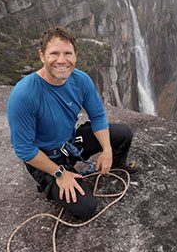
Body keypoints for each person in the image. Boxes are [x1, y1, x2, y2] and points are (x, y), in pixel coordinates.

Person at [7, 26, 137, 220]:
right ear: (42, 55)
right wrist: (60, 174)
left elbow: (98, 116)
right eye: (54, 53)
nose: (62, 60)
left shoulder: (81, 80)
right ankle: (47, 182)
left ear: (75, 56)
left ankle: (116, 164)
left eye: (68, 53)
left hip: (70, 144)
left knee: (123, 134)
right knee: (86, 207)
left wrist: (107, 151)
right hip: (46, 157)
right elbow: (24, 149)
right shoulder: (24, 94)